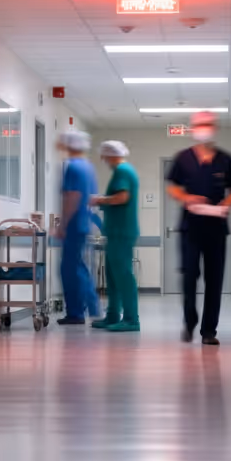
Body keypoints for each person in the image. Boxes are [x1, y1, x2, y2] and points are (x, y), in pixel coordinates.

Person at [167, 112, 231, 346]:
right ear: (193, 129)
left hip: (217, 227)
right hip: (190, 227)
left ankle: (209, 331)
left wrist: (226, 204)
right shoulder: (183, 158)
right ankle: (189, 321)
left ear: (214, 128)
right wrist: (187, 198)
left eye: (208, 125)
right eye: (200, 125)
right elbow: (172, 187)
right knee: (189, 276)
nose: (204, 128)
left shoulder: (225, 160)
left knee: (214, 280)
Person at [90, 141, 140, 332]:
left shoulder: (123, 171)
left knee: (124, 276)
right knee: (112, 276)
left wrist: (98, 199)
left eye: (104, 157)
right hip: (116, 232)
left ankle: (131, 319)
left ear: (110, 155)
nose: (104, 160)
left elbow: (122, 197)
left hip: (122, 232)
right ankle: (112, 315)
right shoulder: (124, 171)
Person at [54, 130, 97, 325]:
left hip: (74, 224)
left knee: (69, 269)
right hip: (84, 223)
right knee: (79, 267)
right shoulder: (88, 167)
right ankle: (94, 307)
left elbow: (73, 197)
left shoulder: (72, 167)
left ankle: (76, 313)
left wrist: (62, 224)